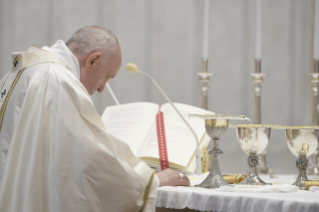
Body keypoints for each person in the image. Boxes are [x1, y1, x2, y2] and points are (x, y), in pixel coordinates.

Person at [0, 25, 189, 212]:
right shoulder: (59, 81)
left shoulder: (19, 74)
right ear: (92, 60)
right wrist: (149, 181)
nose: (101, 88)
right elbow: (90, 160)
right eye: (107, 76)